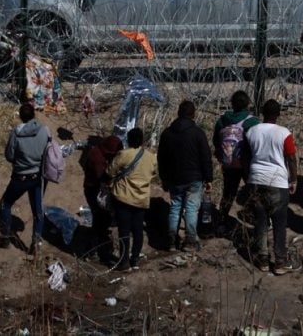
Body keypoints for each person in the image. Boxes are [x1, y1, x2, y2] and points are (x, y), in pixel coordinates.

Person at [245, 99, 298, 275]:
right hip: (278, 181)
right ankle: (280, 262)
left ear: (262, 113)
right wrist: (294, 179)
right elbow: (291, 157)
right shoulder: (284, 133)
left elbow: (246, 155)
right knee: (279, 222)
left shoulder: (252, 131)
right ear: (278, 114)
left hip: (256, 179)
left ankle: (263, 259)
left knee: (260, 221)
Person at [158, 100, 213, 252]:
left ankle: (171, 240)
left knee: (175, 207)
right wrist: (209, 178)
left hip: (174, 178)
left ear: (178, 113)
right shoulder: (197, 133)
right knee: (191, 209)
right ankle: (190, 240)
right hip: (194, 178)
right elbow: (205, 157)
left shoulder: (167, 133)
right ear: (193, 114)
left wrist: (164, 178)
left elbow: (161, 158)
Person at [0, 103, 50, 255]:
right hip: (38, 177)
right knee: (37, 210)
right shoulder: (44, 130)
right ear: (34, 114)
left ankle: (6, 237)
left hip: (20, 177)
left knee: (5, 204)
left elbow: (9, 156)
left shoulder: (16, 132)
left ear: (21, 116)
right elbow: (49, 151)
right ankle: (36, 243)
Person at [108, 128, 157, 271]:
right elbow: (153, 173)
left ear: (128, 140)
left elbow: (110, 171)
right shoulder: (151, 157)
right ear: (142, 140)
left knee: (124, 231)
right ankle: (134, 259)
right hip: (141, 199)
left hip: (123, 198)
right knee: (138, 230)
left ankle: (124, 262)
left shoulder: (123, 154)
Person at [212, 90, 260, 235]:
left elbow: (216, 140)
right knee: (254, 192)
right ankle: (260, 219)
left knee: (228, 193)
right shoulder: (252, 122)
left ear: (232, 104)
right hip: (246, 163)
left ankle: (222, 221)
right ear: (247, 104)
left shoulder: (222, 120)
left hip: (229, 163)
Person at [81, 135, 122, 266]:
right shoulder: (97, 157)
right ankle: (94, 249)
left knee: (102, 219)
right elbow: (102, 176)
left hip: (96, 189)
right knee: (100, 219)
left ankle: (98, 244)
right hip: (93, 190)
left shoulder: (98, 151)